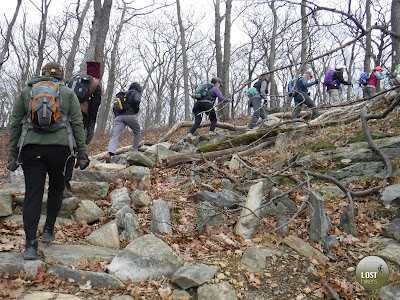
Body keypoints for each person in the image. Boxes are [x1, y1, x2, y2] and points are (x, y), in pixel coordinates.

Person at [7, 62, 89, 260]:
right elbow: (77, 123)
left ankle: (30, 246)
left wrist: (13, 151)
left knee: (32, 195)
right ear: (60, 77)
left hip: (31, 148)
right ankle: (49, 230)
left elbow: (16, 121)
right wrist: (82, 151)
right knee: (55, 189)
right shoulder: (68, 94)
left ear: (41, 74)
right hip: (60, 150)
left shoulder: (26, 92)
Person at [64, 61, 101, 189]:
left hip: (63, 116)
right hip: (79, 118)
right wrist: (90, 128)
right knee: (73, 147)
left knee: (62, 145)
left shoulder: (73, 80)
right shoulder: (95, 85)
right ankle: (65, 181)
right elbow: (94, 109)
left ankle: (58, 178)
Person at [104, 82, 142, 163]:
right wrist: (135, 110)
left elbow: (114, 107)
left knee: (115, 135)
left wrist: (117, 116)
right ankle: (134, 151)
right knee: (137, 132)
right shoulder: (135, 93)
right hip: (130, 116)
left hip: (119, 117)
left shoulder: (122, 94)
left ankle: (109, 154)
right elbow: (137, 100)